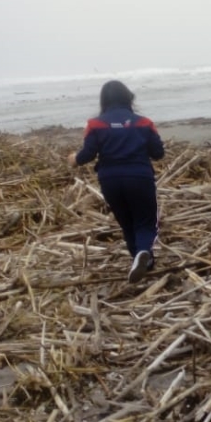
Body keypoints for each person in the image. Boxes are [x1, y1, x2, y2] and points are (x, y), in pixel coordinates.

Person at [67, 80, 164, 283]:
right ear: (129, 98)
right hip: (139, 177)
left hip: (110, 180)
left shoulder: (95, 125)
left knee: (126, 222)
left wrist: (74, 159)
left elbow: (87, 154)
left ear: (103, 100)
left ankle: (142, 261)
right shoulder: (144, 123)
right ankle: (144, 253)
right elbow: (158, 153)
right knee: (145, 221)